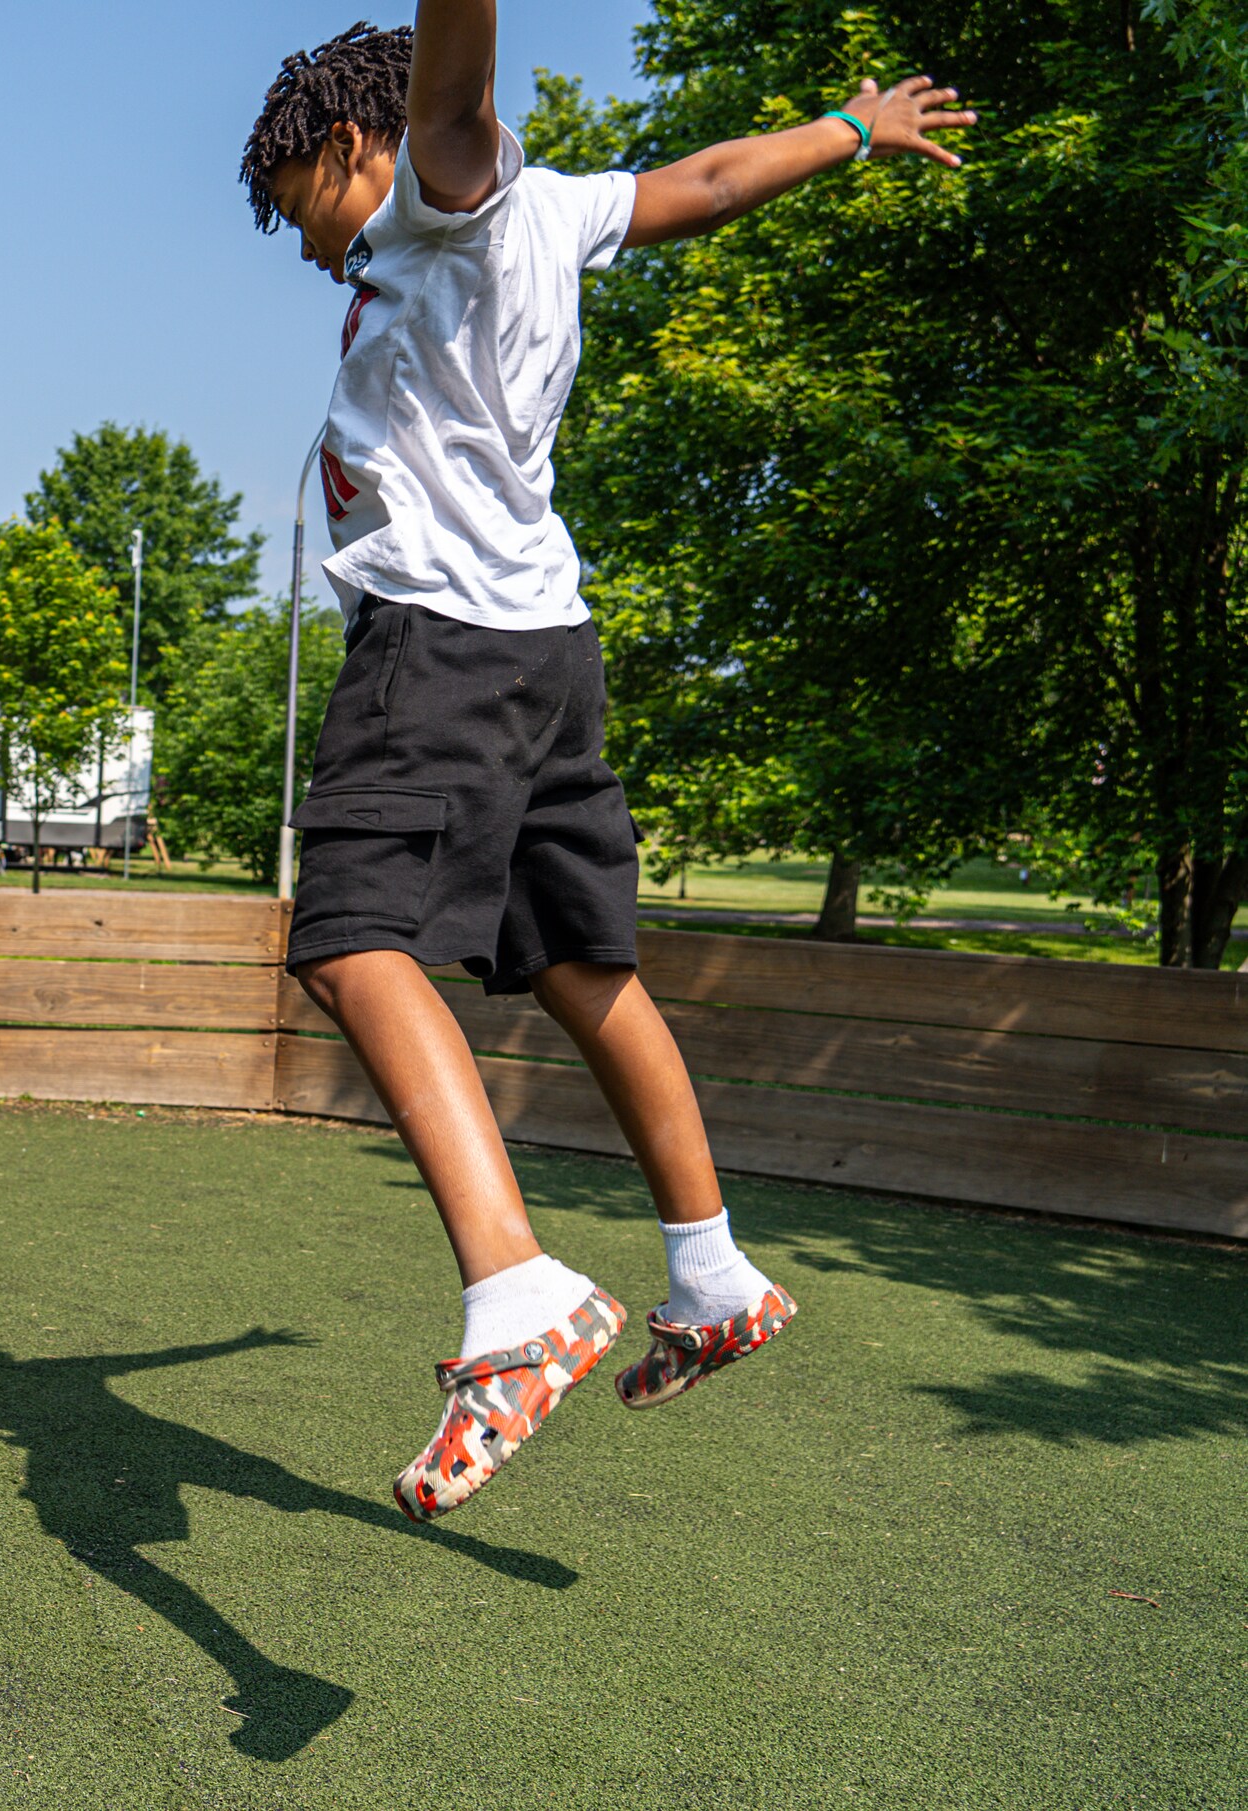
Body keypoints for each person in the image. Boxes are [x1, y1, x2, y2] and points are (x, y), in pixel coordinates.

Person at [239, 12, 970, 1517]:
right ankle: (710, 1270)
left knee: (349, 938)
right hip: (548, 649)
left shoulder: (446, 181)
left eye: (303, 208)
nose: (308, 249)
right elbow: (699, 180)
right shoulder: (563, 205)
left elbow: (458, 72)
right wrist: (846, 129)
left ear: (350, 148)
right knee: (579, 963)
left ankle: (515, 1300)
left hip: (436, 644)